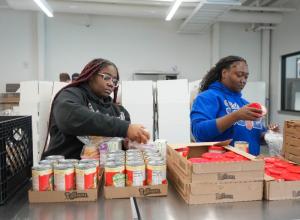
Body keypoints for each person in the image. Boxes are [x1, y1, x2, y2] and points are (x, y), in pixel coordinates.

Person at [43, 58, 150, 159]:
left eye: (114, 81)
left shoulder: (120, 112)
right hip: (64, 170)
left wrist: (126, 144)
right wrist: (124, 128)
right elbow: (70, 117)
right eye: (106, 77)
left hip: (103, 171)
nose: (111, 83)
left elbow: (119, 146)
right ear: (90, 76)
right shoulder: (70, 95)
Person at [190, 55, 279, 156]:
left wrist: (269, 135)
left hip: (251, 165)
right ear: (224, 73)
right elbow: (199, 132)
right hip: (221, 167)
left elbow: (254, 137)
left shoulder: (245, 104)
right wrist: (236, 116)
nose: (243, 80)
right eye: (239, 75)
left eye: (246, 77)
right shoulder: (208, 97)